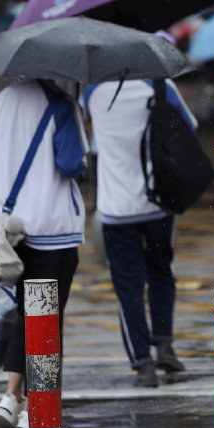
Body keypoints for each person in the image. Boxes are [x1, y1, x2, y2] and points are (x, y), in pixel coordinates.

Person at [0, 79, 87, 428]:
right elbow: (70, 164)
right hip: (51, 229)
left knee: (26, 314)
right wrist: (80, 134)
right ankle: (37, 415)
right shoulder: (62, 104)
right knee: (47, 323)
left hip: (7, 228)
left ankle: (10, 398)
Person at [82, 79, 194, 387]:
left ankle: (143, 363)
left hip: (116, 209)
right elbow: (189, 127)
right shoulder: (160, 85)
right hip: (158, 200)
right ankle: (165, 346)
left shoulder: (92, 91)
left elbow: (81, 135)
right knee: (162, 273)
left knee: (128, 287)